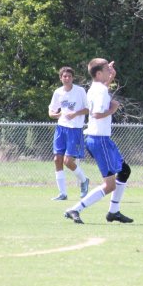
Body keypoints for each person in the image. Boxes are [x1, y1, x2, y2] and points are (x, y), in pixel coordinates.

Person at [64, 58, 133, 224]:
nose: (110, 70)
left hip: (101, 139)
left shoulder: (96, 88)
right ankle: (75, 209)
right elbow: (96, 114)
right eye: (106, 68)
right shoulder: (100, 91)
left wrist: (111, 77)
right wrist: (113, 108)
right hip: (99, 139)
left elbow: (102, 92)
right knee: (109, 185)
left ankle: (114, 212)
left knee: (124, 171)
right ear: (99, 73)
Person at [48, 66, 90, 201]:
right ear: (61, 78)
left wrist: (76, 113)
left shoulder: (80, 91)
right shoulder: (58, 92)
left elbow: (88, 109)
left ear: (72, 78)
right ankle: (62, 193)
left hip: (74, 129)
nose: (67, 78)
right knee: (57, 159)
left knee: (68, 161)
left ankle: (84, 180)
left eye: (69, 76)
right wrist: (59, 114)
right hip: (61, 129)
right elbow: (51, 113)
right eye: (64, 76)